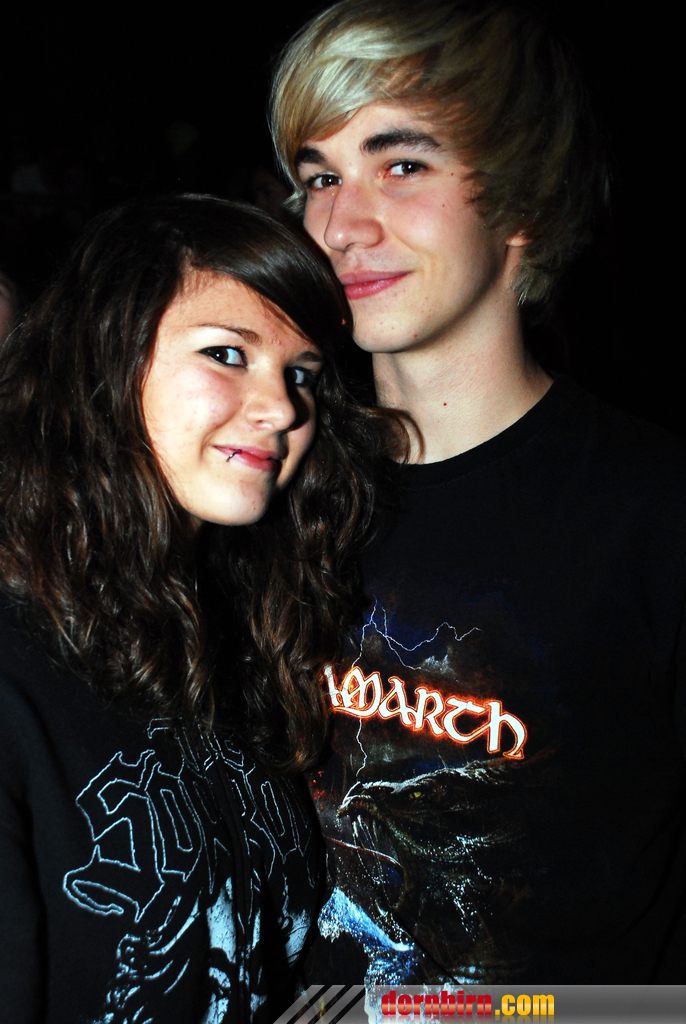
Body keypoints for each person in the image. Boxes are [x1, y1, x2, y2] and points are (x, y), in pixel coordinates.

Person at [269, 0, 686, 985]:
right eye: (320, 176)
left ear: (519, 200)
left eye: (401, 164)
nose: (339, 224)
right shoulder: (267, 481)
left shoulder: (652, 511)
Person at [0, 195, 403, 1021]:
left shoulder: (239, 636)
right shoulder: (16, 663)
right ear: (106, 355)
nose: (284, 408)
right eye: (226, 353)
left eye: (301, 374)